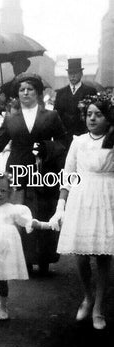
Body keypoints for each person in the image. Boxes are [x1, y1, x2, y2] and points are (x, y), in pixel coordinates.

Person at [0, 73, 68, 274]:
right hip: (17, 172)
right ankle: (24, 260)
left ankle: (44, 259)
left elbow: (64, 142)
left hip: (43, 171)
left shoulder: (51, 116)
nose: (25, 93)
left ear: (37, 92)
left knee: (42, 211)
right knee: (19, 212)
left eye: (30, 89)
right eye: (21, 90)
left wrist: (47, 146)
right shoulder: (11, 119)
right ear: (17, 94)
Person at [49, 94, 114, 330]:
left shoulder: (113, 139)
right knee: (82, 254)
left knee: (104, 255)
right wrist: (61, 205)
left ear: (108, 117)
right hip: (81, 198)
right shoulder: (78, 142)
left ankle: (98, 307)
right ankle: (87, 296)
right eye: (89, 114)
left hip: (108, 198)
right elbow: (68, 175)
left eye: (99, 114)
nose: (93, 118)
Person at [0, 175, 51, 326]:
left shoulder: (13, 209)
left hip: (6, 250)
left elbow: (29, 222)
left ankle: (3, 307)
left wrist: (48, 225)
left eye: (3, 191)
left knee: (2, 280)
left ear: (10, 192)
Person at [54, 58, 97, 145]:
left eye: (75, 73)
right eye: (70, 73)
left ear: (81, 74)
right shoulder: (60, 93)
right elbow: (56, 116)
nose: (72, 76)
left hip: (84, 135)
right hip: (64, 137)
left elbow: (94, 114)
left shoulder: (90, 91)